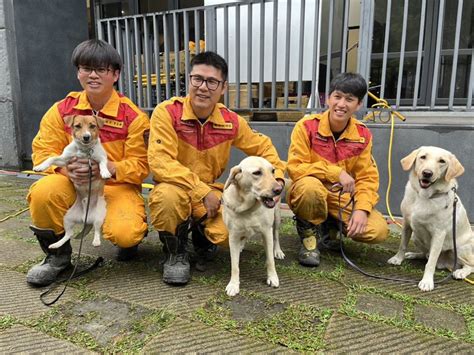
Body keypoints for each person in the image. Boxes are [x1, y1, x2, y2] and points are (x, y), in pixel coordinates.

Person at [148, 51, 286, 285]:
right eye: (197, 79)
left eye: (212, 82)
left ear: (222, 88)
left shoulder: (231, 121)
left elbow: (263, 147)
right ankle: (175, 252)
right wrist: (202, 192)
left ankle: (202, 236)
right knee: (167, 200)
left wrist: (277, 178)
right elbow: (160, 162)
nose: (203, 87)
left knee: (227, 235)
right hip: (176, 187)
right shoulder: (167, 113)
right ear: (189, 80)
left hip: (210, 189)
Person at [26, 39, 150, 286]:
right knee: (42, 192)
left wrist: (111, 168)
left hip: (114, 187)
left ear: (115, 74)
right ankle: (57, 258)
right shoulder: (62, 110)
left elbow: (142, 166)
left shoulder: (133, 116)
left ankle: (132, 239)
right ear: (78, 72)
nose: (92, 75)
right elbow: (42, 150)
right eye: (86, 68)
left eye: (101, 69)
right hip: (70, 183)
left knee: (126, 232)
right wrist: (64, 168)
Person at [287, 72, 388, 267]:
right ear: (328, 99)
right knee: (309, 188)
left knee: (378, 230)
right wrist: (335, 173)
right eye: (337, 96)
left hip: (340, 197)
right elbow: (295, 167)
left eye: (349, 99)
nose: (341, 104)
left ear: (358, 105)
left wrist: (362, 208)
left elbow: (367, 178)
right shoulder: (306, 126)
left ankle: (330, 225)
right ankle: (309, 236)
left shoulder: (362, 134)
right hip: (309, 188)